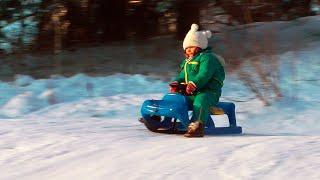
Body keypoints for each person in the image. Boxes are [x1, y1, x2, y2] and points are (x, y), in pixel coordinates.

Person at [170, 24, 225, 137]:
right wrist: (176, 82)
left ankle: (197, 125)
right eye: (187, 48)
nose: (189, 50)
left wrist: (193, 84)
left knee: (201, 100)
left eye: (192, 47)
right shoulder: (187, 62)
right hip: (192, 91)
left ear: (200, 46)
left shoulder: (208, 58)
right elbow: (182, 75)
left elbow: (204, 74)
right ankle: (159, 116)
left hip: (209, 92)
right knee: (177, 98)